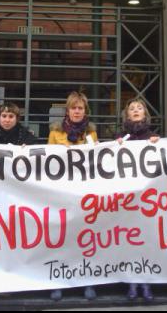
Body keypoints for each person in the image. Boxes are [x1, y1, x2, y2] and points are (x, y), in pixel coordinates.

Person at [48, 91, 98, 301]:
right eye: (73, 108)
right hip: (62, 192)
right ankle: (59, 281)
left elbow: (96, 160)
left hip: (83, 193)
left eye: (80, 108)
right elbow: (48, 163)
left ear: (85, 111)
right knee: (61, 239)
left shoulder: (91, 133)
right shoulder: (55, 132)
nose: (77, 111)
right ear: (67, 111)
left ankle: (86, 281)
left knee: (84, 238)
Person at [116, 98, 159, 301]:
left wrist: (158, 144)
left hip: (147, 199)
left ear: (145, 113)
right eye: (131, 108)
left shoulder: (153, 137)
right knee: (129, 241)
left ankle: (146, 282)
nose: (135, 110)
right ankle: (132, 282)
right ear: (127, 114)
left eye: (139, 108)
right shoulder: (120, 137)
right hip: (127, 199)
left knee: (146, 240)